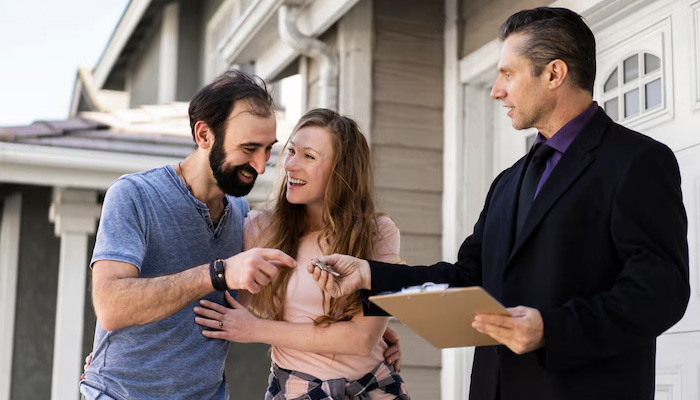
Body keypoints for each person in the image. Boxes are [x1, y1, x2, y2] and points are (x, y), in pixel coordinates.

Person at [308, 7, 690, 400]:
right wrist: (369, 274)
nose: (496, 89)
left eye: (508, 73)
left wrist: (552, 329)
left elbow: (660, 293)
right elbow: (470, 279)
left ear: (554, 73)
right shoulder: (507, 182)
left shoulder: (638, 161)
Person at [80, 70, 298, 400]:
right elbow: (111, 306)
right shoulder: (134, 195)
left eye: (268, 149)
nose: (261, 165)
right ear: (204, 134)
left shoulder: (240, 213)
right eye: (249, 148)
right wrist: (217, 273)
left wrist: (367, 334)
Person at [193, 109, 410, 399]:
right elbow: (229, 297)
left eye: (308, 156)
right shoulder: (260, 228)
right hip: (296, 389)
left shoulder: (377, 233)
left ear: (341, 170)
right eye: (291, 151)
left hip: (372, 388)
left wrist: (256, 330)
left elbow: (360, 339)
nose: (291, 165)